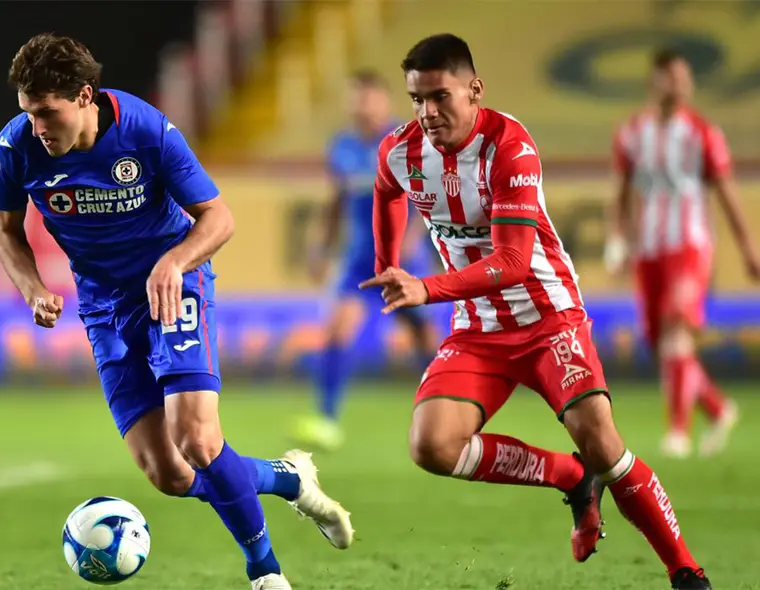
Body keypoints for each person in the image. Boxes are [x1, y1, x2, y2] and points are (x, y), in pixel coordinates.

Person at [0, 34, 353, 590]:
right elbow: (6, 231)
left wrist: (176, 261)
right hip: (104, 307)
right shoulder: (16, 149)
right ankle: (285, 478)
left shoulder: (145, 130)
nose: (37, 126)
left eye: (46, 112)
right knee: (170, 474)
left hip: (174, 288)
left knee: (199, 440)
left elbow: (218, 218)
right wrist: (34, 289)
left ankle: (265, 572)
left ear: (84, 96)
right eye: (28, 112)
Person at [359, 34, 711, 589]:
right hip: (477, 329)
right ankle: (570, 477)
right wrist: (387, 263)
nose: (427, 112)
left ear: (474, 90)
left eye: (440, 97)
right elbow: (386, 190)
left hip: (548, 318)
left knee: (602, 441)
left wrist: (425, 287)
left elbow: (514, 262)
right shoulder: (399, 150)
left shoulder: (509, 145)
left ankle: (685, 570)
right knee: (431, 444)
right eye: (417, 100)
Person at [606, 48, 760, 458]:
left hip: (689, 245)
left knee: (677, 334)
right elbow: (621, 193)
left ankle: (677, 433)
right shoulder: (632, 134)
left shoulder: (702, 133)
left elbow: (726, 192)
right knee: (661, 345)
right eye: (672, 76)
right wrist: (618, 242)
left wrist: (748, 248)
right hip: (649, 250)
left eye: (684, 77)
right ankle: (717, 407)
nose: (681, 85)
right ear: (654, 81)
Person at [297, 69, 437, 451]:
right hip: (360, 257)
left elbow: (426, 198)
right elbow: (335, 203)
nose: (361, 104)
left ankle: (447, 407)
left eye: (368, 96)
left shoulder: (405, 141)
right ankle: (327, 419)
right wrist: (320, 248)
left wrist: (410, 242)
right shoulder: (341, 147)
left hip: (403, 259)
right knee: (337, 329)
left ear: (384, 101)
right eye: (355, 97)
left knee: (423, 332)